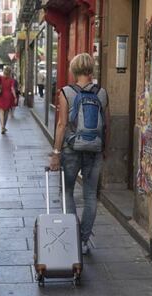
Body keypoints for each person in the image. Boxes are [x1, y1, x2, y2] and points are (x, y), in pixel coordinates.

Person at [49, 53, 110, 255]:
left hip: (71, 148)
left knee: (67, 192)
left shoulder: (66, 92)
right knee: (91, 195)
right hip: (95, 149)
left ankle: (73, 236)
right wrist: (105, 148)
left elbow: (62, 124)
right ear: (90, 69)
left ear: (74, 70)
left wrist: (56, 152)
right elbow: (107, 124)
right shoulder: (102, 93)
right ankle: (84, 239)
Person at [0, 66, 17, 134]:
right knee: (6, 112)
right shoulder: (11, 80)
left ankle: (2, 127)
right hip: (8, 96)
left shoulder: (0, 77)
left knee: (1, 111)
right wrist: (15, 97)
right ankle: (4, 126)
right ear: (10, 72)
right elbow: (12, 89)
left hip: (1, 95)